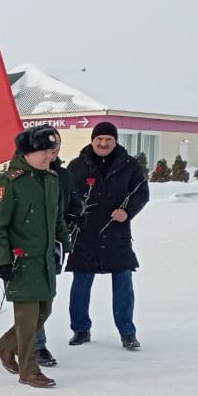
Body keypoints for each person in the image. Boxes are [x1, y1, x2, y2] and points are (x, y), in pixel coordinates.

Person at [0, 126, 70, 388]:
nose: (50, 158)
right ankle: (29, 369)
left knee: (45, 309)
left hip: (45, 260)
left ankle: (4, 345)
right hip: (20, 260)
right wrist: (2, 261)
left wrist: (66, 245)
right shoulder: (9, 183)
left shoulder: (51, 180)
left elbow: (57, 218)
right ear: (27, 153)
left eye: (53, 152)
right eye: (44, 153)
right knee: (27, 316)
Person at [64, 121, 150, 350]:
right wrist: (74, 217)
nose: (103, 144)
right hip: (85, 235)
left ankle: (127, 333)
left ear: (115, 141)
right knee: (80, 286)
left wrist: (128, 211)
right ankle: (80, 329)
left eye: (108, 140)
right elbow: (66, 197)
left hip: (116, 234)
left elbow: (141, 192)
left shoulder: (129, 165)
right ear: (92, 140)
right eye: (99, 139)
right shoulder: (77, 166)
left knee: (123, 286)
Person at [35, 135, 73, 367]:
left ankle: (11, 343)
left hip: (53, 247)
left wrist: (67, 232)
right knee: (32, 302)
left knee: (45, 302)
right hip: (28, 249)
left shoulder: (63, 176)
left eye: (56, 146)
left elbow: (70, 205)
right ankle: (37, 347)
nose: (52, 152)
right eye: (47, 148)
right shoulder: (17, 179)